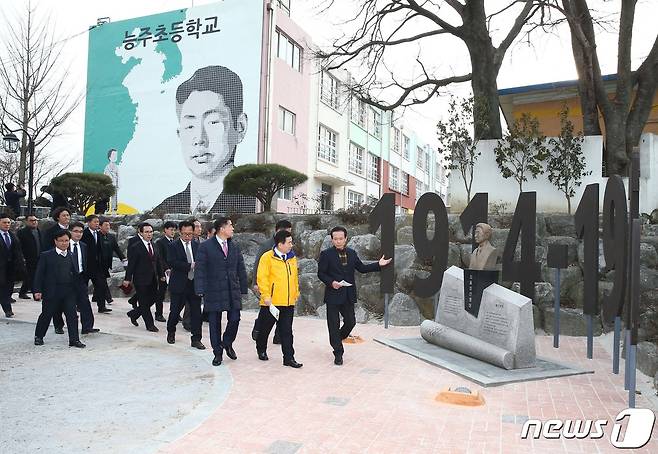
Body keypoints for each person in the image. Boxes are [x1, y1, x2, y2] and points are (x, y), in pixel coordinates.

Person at [153, 66, 248, 214]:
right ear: (180, 134)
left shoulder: (253, 203)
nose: (199, 139)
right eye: (190, 126)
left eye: (213, 122)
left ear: (240, 127)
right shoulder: (163, 210)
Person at [318, 226, 392, 365]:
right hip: (333, 294)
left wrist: (379, 264)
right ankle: (338, 352)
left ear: (346, 238)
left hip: (348, 294)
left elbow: (362, 268)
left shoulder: (352, 253)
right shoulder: (326, 254)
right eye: (335, 239)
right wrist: (332, 282)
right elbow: (321, 273)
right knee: (333, 325)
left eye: (341, 238)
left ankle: (337, 338)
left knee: (351, 321)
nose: (338, 241)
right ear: (332, 239)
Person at [194, 217, 248, 366]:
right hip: (213, 289)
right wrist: (199, 289)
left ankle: (227, 343)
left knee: (235, 318)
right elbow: (200, 270)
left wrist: (243, 288)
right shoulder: (206, 247)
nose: (233, 228)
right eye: (230, 226)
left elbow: (240, 269)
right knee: (214, 324)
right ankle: (217, 353)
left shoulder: (234, 247)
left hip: (232, 289)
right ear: (222, 229)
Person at [255, 230, 302, 368]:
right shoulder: (267, 257)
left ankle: (289, 358)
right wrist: (266, 296)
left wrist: (295, 293)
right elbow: (262, 278)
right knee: (265, 329)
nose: (291, 245)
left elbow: (294, 277)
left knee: (287, 331)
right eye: (289, 242)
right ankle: (261, 348)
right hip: (271, 302)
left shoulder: (292, 258)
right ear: (280, 244)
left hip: (288, 302)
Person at [33, 229, 85, 348]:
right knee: (46, 314)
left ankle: (74, 339)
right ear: (55, 241)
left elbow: (76, 273)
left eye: (66, 240)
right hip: (52, 291)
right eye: (61, 241)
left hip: (69, 291)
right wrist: (37, 290)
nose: (64, 243)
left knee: (72, 316)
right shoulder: (46, 255)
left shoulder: (72, 255)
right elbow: (39, 274)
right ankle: (39, 336)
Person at [52, 222, 99, 335]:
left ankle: (87, 326)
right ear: (70, 232)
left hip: (80, 277)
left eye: (81, 232)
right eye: (76, 231)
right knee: (60, 303)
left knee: (84, 302)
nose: (79, 234)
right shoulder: (64, 245)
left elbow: (84, 262)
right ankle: (58, 325)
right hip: (64, 279)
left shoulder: (83, 246)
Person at [251, 219, 293, 343]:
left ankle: (278, 336)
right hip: (268, 287)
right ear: (277, 231)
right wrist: (255, 282)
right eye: (285, 232)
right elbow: (257, 264)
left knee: (282, 314)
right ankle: (258, 328)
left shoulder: (289, 247)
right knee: (266, 312)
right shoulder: (266, 245)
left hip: (283, 289)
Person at [166, 220, 205, 349]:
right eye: (184, 234)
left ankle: (196, 339)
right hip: (179, 283)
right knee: (175, 311)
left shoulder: (197, 245)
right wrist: (190, 266)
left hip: (194, 284)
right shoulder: (173, 246)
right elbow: (172, 262)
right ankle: (171, 332)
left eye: (190, 234)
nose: (187, 237)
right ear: (180, 232)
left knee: (196, 313)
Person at [123, 222, 164, 332]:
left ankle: (134, 314)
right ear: (140, 233)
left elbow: (158, 261)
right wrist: (127, 279)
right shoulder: (135, 247)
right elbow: (131, 264)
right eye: (146, 232)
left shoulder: (154, 245)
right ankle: (149, 325)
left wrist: (161, 275)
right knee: (144, 302)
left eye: (151, 232)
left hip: (153, 278)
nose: (149, 234)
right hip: (140, 278)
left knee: (154, 298)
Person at [82, 215, 112, 313]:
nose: (97, 224)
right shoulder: (84, 234)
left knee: (101, 286)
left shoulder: (99, 234)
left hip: (98, 266)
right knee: (83, 287)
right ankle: (80, 305)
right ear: (89, 222)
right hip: (86, 265)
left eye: (98, 222)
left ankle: (101, 306)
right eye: (95, 222)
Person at [0, 213, 25, 317]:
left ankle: (6, 304)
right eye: (4, 222)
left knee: (9, 287)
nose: (7, 224)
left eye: (8, 222)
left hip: (10, 268)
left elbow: (17, 251)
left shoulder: (12, 235)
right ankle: (7, 309)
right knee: (2, 288)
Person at [98, 218, 126, 305]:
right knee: (102, 280)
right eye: (105, 225)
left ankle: (96, 297)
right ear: (100, 226)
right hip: (98, 263)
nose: (108, 227)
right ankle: (108, 298)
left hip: (107, 263)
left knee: (100, 281)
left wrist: (123, 258)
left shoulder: (111, 237)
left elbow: (117, 249)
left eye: (108, 225)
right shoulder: (96, 236)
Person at [154, 221, 177, 322]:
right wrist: (165, 269)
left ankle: (175, 313)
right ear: (165, 230)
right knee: (161, 293)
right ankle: (158, 313)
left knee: (175, 294)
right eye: (171, 230)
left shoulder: (175, 242)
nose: (173, 232)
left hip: (174, 271)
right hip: (164, 272)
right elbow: (160, 258)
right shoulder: (160, 242)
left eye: (174, 230)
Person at [17, 214, 43, 299]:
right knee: (29, 276)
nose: (34, 222)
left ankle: (33, 292)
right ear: (26, 222)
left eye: (35, 220)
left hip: (39, 257)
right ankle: (28, 293)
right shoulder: (22, 232)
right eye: (31, 221)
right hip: (28, 258)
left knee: (36, 276)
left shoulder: (39, 231)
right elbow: (19, 246)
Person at [103, 148, 120, 213]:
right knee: (107, 198)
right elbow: (105, 176)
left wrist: (118, 185)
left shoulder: (116, 167)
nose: (115, 157)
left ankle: (114, 210)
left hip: (114, 184)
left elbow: (118, 177)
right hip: (108, 185)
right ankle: (106, 209)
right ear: (109, 157)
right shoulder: (107, 167)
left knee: (114, 198)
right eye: (113, 155)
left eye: (116, 155)